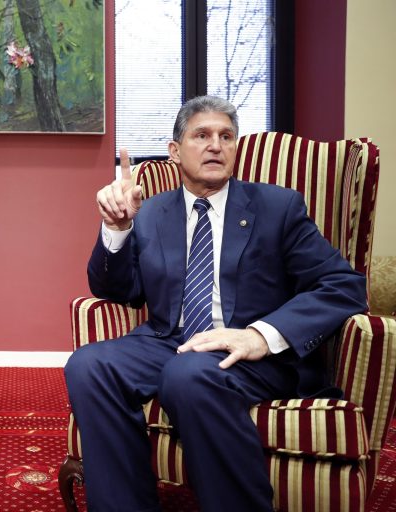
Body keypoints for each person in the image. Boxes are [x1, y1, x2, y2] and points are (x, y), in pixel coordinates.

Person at [64, 95, 368, 511]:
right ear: (175, 151)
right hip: (168, 341)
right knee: (88, 364)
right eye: (201, 135)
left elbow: (343, 285)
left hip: (251, 354)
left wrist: (261, 336)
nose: (215, 145)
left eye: (226, 136)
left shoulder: (277, 207)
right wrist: (116, 229)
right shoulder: (151, 213)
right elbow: (118, 290)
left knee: (188, 373)